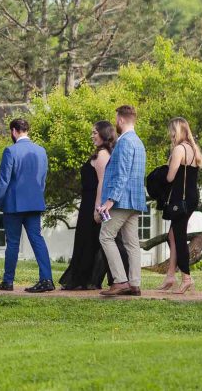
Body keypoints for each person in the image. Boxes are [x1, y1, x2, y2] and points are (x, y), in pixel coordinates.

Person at [0, 118, 55, 293]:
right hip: (35, 202)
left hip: (14, 204)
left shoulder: (10, 151)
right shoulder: (41, 151)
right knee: (37, 240)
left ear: (14, 131)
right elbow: (42, 179)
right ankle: (46, 279)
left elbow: (3, 181)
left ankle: (8, 281)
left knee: (13, 243)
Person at [60, 121, 128, 291]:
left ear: (104, 134)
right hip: (92, 201)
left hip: (95, 203)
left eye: (95, 133)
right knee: (93, 240)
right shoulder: (105, 153)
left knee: (95, 240)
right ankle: (91, 278)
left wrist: (97, 208)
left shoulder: (102, 155)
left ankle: (91, 279)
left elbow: (102, 183)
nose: (92, 136)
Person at [98, 104, 148, 297]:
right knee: (132, 243)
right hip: (135, 200)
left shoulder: (125, 142)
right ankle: (134, 284)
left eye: (116, 119)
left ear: (120, 120)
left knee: (106, 236)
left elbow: (122, 174)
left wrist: (110, 200)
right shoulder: (139, 142)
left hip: (122, 201)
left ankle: (120, 281)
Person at [157, 118, 202, 295]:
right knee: (173, 235)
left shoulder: (179, 149)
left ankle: (186, 277)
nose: (171, 135)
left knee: (179, 236)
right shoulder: (192, 149)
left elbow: (170, 177)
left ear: (178, 131)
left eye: (172, 131)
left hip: (180, 200)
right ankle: (170, 275)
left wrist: (159, 174)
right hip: (190, 198)